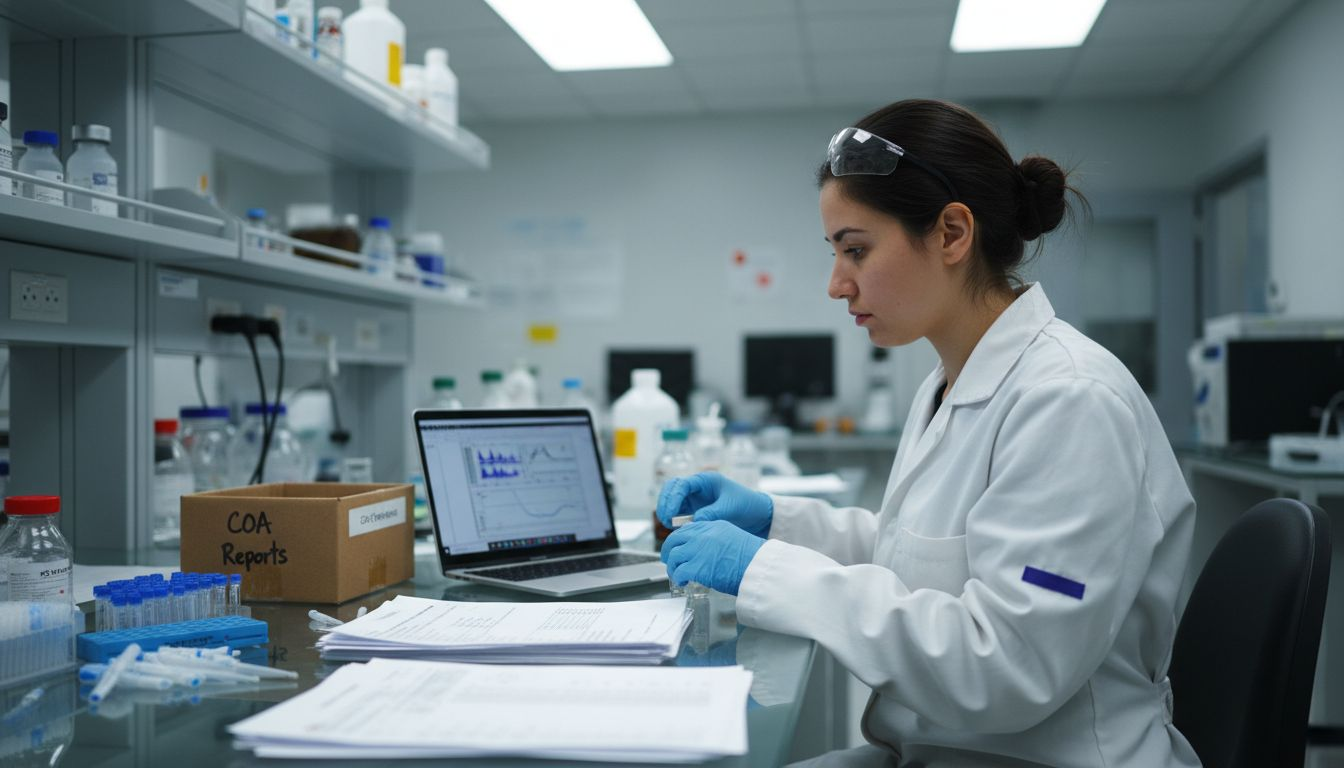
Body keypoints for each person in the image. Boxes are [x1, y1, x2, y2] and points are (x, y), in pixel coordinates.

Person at [657, 99, 1200, 767]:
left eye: (855, 249)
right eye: (834, 252)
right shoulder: (951, 381)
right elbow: (918, 557)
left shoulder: (1070, 399)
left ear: (950, 233)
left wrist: (766, 571)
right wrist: (777, 524)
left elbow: (1009, 665)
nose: (836, 284)